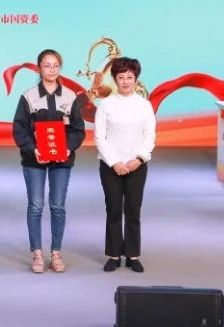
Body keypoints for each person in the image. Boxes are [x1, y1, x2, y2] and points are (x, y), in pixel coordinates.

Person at [12, 49, 86, 274]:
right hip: (34, 160)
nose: (52, 69)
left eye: (56, 65)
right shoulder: (28, 96)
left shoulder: (70, 96)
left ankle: (56, 253)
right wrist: (33, 149)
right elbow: (19, 129)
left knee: (58, 206)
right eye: (47, 65)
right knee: (35, 206)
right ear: (39, 68)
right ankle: (37, 254)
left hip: (61, 160)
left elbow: (78, 129)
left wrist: (67, 148)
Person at [95, 57, 156, 274]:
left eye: (130, 77)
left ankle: (133, 255)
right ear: (114, 79)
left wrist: (139, 159)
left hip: (136, 165)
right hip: (110, 166)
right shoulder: (106, 104)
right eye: (121, 77)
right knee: (113, 210)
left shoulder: (144, 105)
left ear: (136, 79)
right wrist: (115, 163)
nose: (126, 81)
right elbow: (99, 137)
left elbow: (149, 135)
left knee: (133, 210)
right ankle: (113, 255)